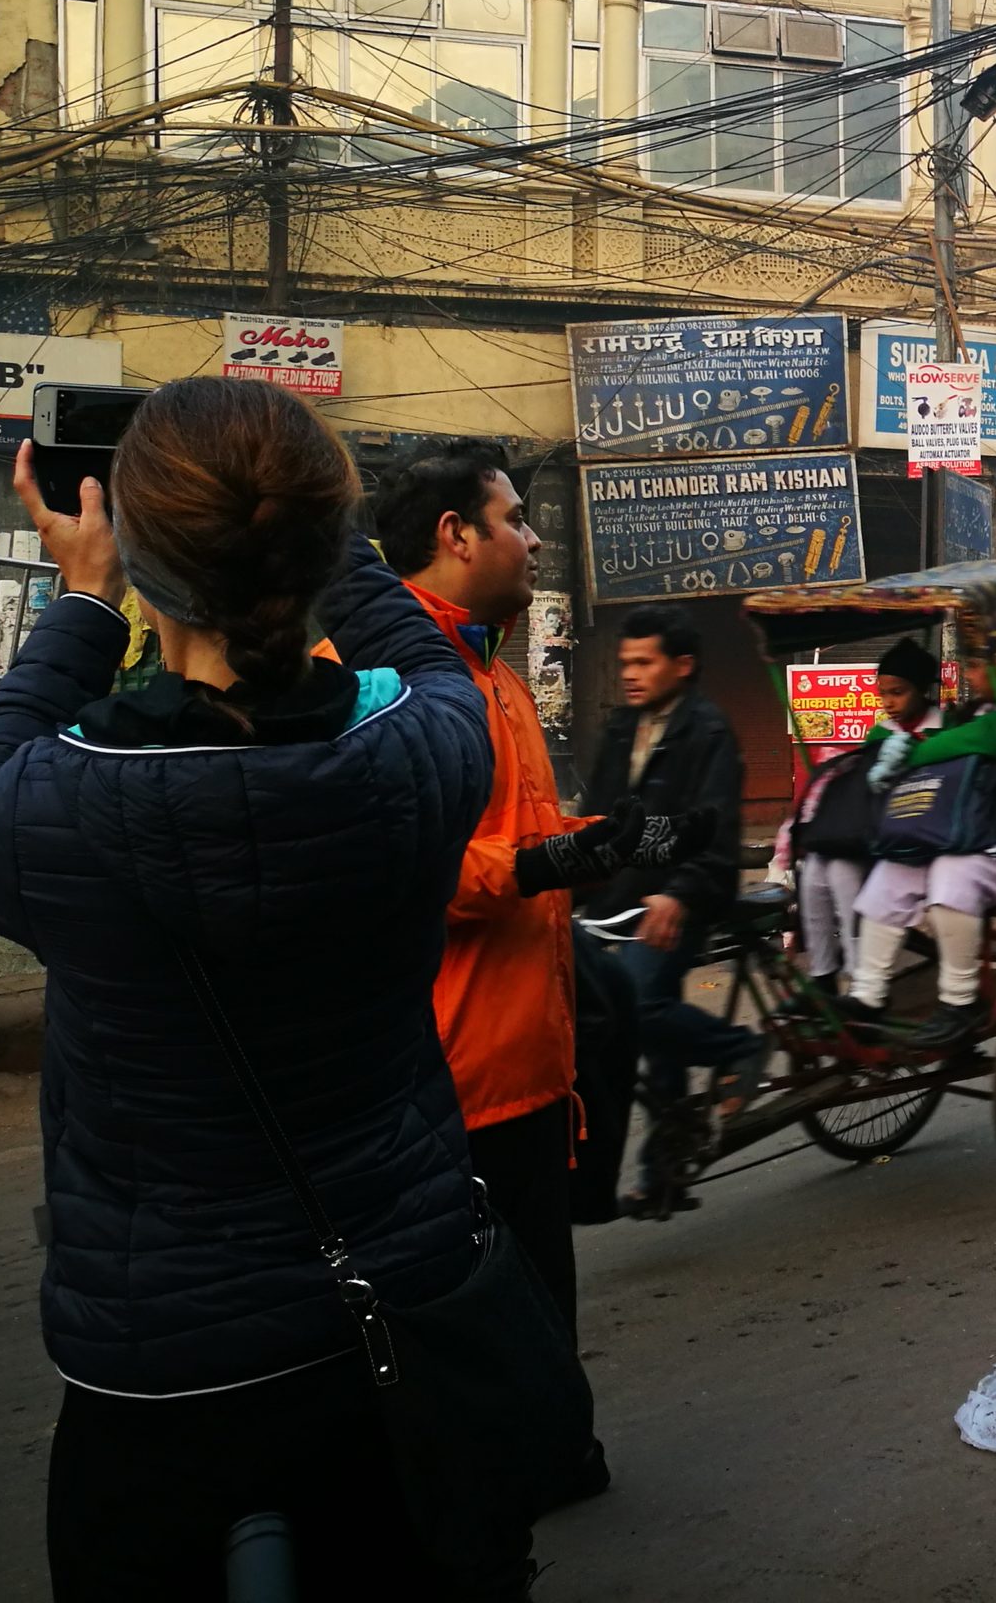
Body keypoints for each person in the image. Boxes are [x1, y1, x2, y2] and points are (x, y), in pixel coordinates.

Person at [0, 379, 525, 1594]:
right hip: (402, 1317)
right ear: (321, 548)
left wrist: (87, 600)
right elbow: (429, 661)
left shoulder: (50, 813)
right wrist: (318, 540)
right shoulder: (421, 755)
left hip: (159, 1370)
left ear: (145, 559)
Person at [369, 440, 706, 1501]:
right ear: (453, 535)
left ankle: (553, 1458)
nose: (533, 534)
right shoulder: (382, 677)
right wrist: (544, 860)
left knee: (539, 1297)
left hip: (532, 1059)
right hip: (455, 1074)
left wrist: (627, 841)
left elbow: (531, 827)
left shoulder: (496, 671)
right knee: (468, 1318)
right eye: (515, 517)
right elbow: (404, 851)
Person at [579, 604, 756, 1215]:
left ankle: (737, 1047)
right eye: (625, 662)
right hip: (620, 901)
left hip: (691, 893)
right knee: (605, 1011)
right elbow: (596, 820)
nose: (629, 673)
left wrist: (678, 893)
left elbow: (715, 833)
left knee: (636, 1004)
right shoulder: (623, 727)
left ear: (682, 666)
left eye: (642, 662)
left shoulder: (707, 732)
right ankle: (666, 1169)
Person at [846, 656, 996, 1050]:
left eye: (975, 666)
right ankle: (867, 994)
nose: (968, 676)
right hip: (979, 831)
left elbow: (978, 740)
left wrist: (904, 751)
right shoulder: (975, 712)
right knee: (896, 866)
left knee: (953, 871)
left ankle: (961, 1000)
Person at [786, 636, 942, 993]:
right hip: (870, 832)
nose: (888, 703)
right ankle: (823, 973)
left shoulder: (940, 731)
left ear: (921, 690)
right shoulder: (879, 733)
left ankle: (861, 979)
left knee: (841, 871)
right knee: (812, 873)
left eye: (898, 692)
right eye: (883, 693)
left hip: (913, 837)